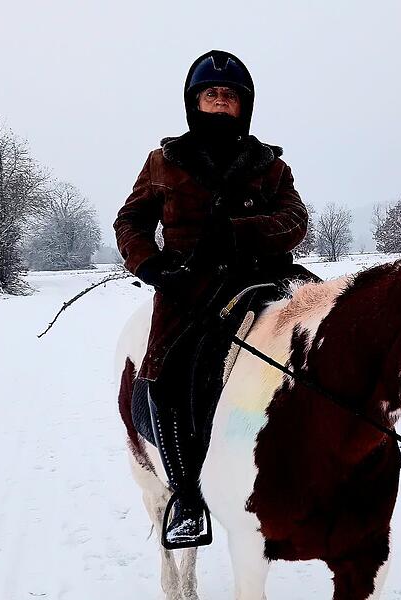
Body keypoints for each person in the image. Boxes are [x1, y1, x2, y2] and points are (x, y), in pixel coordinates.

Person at [114, 50, 317, 548]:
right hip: (188, 285)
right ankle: (185, 495)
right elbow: (131, 221)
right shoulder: (164, 162)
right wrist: (153, 265)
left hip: (265, 276)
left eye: (229, 96)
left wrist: (236, 233)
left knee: (330, 335)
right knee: (165, 374)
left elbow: (295, 221)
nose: (220, 101)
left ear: (244, 106)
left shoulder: (271, 166)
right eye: (211, 94)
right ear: (194, 103)